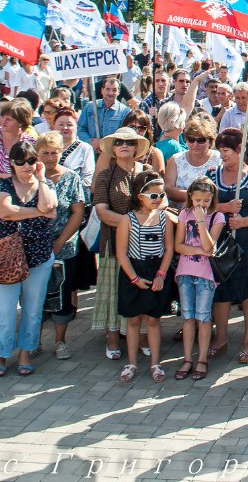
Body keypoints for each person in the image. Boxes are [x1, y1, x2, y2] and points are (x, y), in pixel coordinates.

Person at [0, 141, 58, 377]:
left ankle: (26, 353)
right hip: (7, 257)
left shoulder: (44, 184)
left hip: (39, 256)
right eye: (20, 161)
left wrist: (41, 178)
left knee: (33, 309)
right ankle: (0, 353)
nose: (26, 165)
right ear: (12, 163)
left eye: (31, 160)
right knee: (4, 310)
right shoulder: (3, 183)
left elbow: (50, 205)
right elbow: (4, 211)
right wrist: (38, 212)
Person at [205, 128, 248, 364]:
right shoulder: (212, 175)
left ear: (240, 150)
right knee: (220, 290)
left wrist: (245, 221)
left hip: (247, 242)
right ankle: (221, 337)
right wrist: (224, 208)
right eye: (220, 151)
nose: (223, 156)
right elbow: (200, 204)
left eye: (227, 151)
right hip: (218, 241)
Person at [91, 126, 153, 358]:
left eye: (129, 142)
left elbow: (160, 202)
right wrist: (134, 224)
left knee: (142, 289)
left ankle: (143, 336)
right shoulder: (105, 175)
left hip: (145, 244)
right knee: (114, 291)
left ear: (137, 147)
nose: (124, 145)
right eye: (118, 142)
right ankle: (113, 336)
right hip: (113, 242)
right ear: (113, 148)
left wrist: (142, 225)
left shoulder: (147, 172)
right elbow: (102, 212)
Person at [114, 170, 173, 383]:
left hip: (156, 270)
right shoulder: (127, 220)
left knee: (153, 320)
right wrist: (134, 279)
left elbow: (168, 249)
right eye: (153, 195)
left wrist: (161, 275)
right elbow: (121, 253)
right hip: (134, 271)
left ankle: (155, 363)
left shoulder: (165, 218)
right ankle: (132, 363)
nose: (158, 199)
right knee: (133, 320)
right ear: (140, 196)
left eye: (161, 195)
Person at [35, 131, 86, 360]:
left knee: (62, 294)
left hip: (64, 247)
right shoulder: (31, 176)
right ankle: (33, 341)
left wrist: (60, 241)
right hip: (35, 247)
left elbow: (78, 212)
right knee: (34, 296)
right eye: (44, 153)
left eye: (54, 152)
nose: (49, 157)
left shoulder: (71, 177)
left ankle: (60, 341)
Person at [174, 177, 226, 381]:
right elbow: (178, 245)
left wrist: (202, 221)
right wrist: (198, 251)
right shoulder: (184, 214)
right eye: (197, 200)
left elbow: (209, 247)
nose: (201, 205)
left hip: (206, 275)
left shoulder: (218, 217)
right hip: (185, 272)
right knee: (188, 318)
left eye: (206, 200)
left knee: (204, 318)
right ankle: (187, 358)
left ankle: (202, 359)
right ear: (190, 197)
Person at [165, 116, 221, 206]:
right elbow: (168, 189)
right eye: (191, 140)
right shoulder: (176, 159)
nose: (195, 144)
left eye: (201, 140)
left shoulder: (220, 160)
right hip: (181, 212)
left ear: (210, 141)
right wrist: (197, 197)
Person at [0, 99, 36, 176]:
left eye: (9, 119)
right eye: (2, 117)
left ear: (21, 122)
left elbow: (32, 171)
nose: (4, 121)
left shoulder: (30, 143)